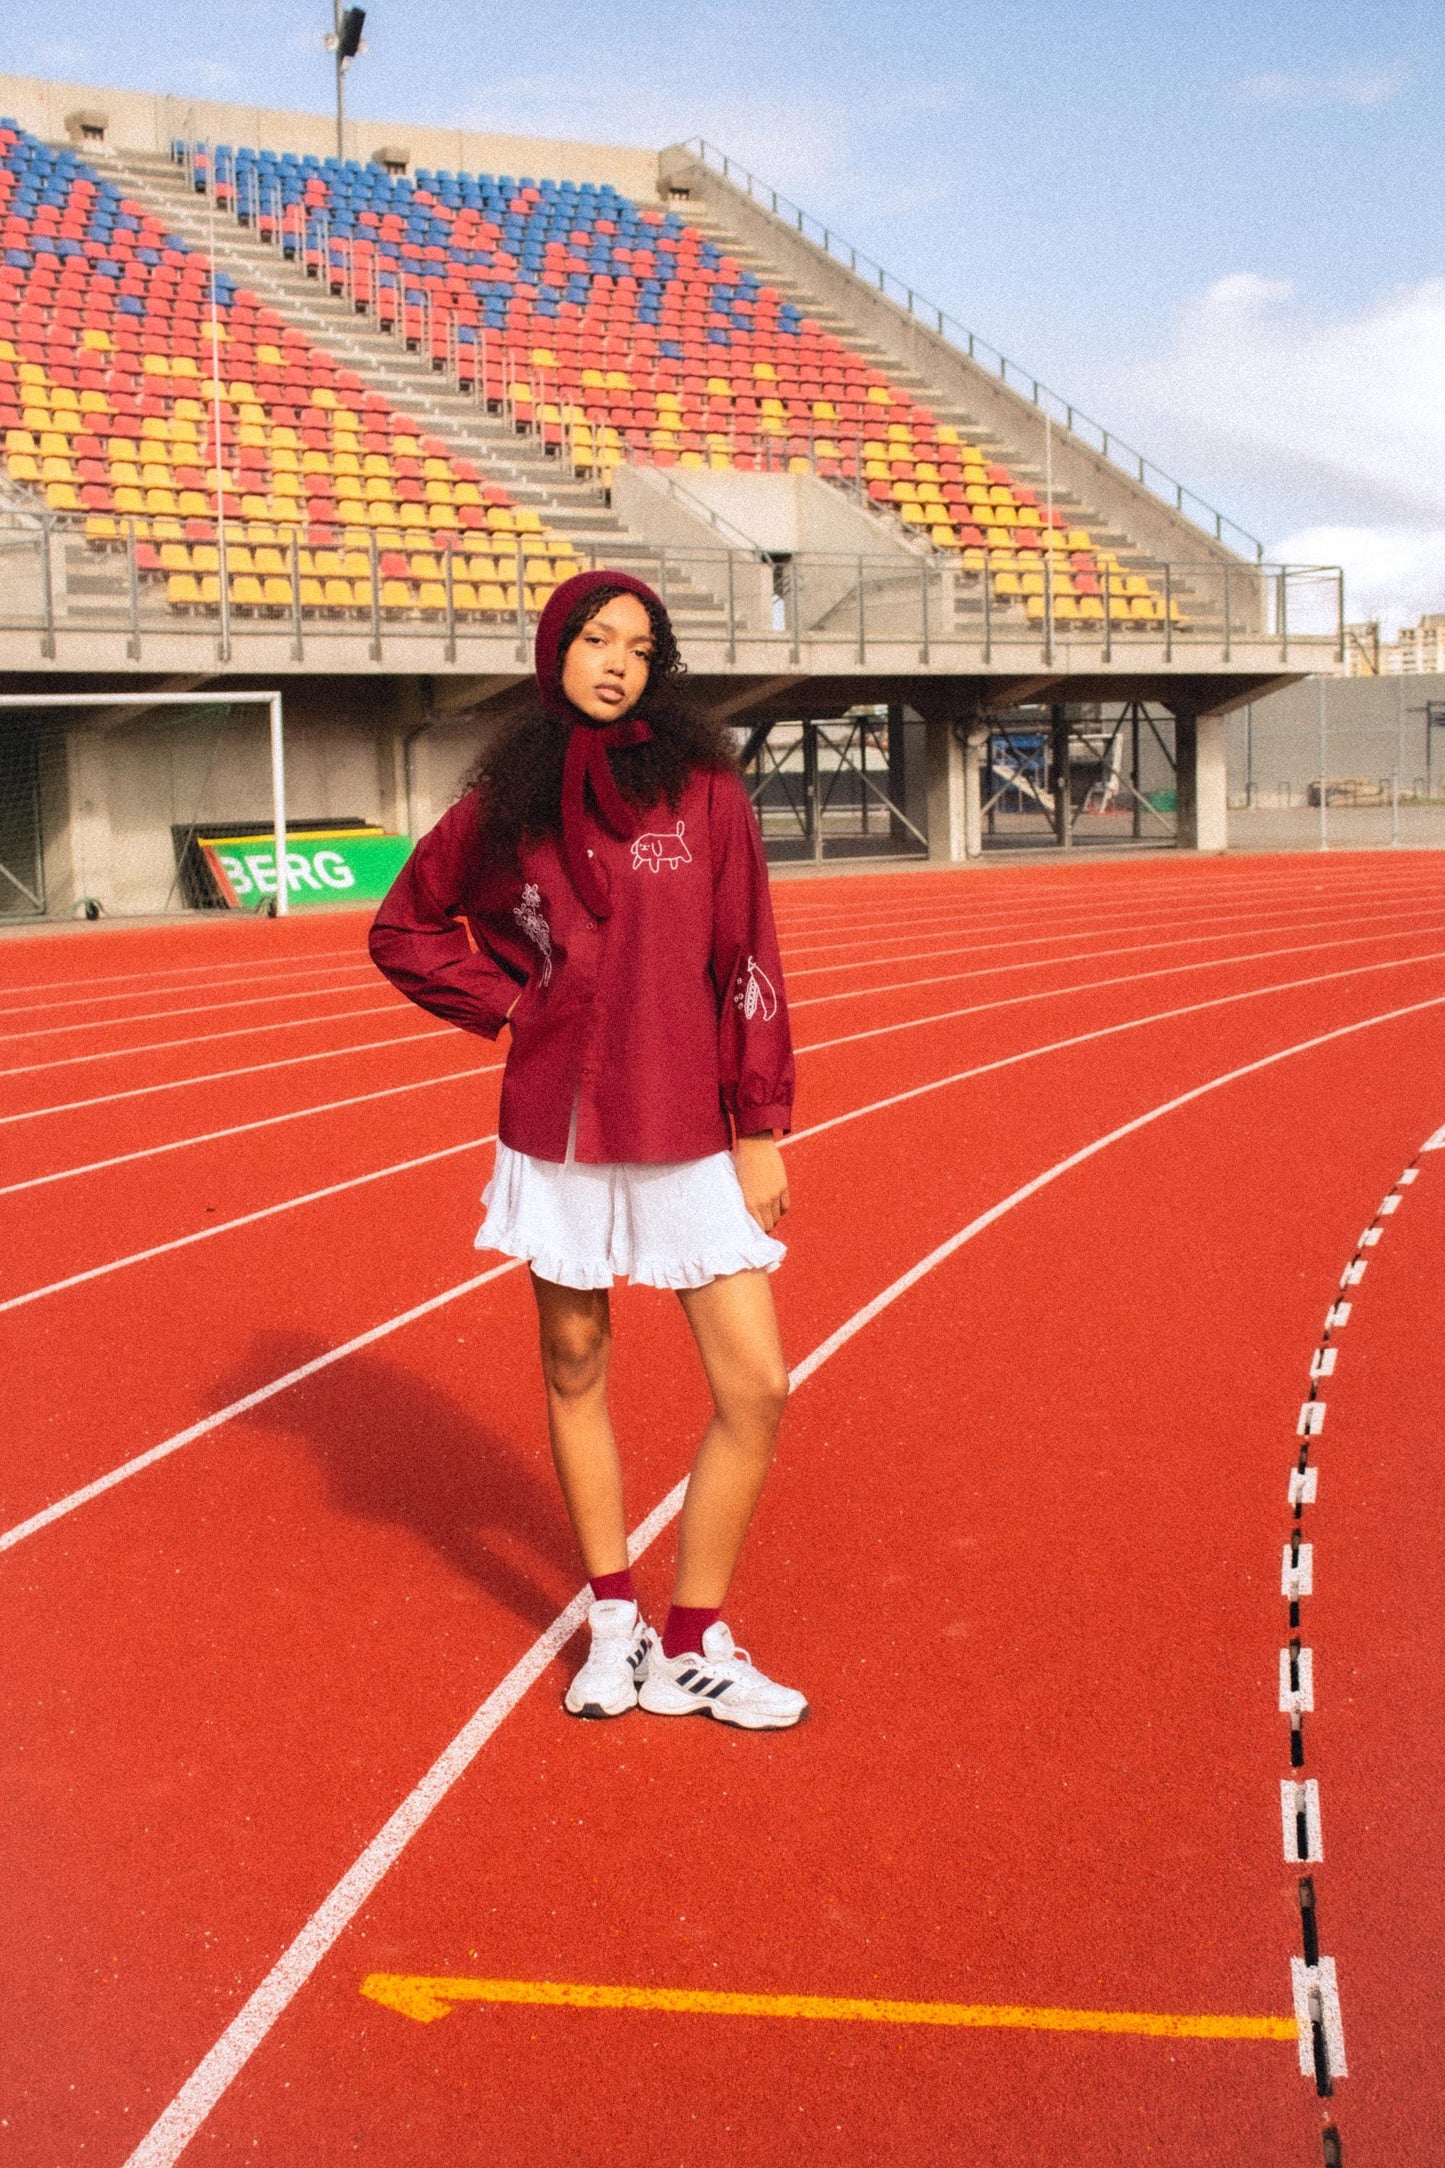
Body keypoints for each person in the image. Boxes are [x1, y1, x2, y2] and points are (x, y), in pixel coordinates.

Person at [369, 569, 805, 1730]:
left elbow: (747, 950)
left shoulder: (702, 788)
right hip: (556, 1123)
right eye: (594, 637)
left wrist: (759, 1125)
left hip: (683, 1125)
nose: (615, 659)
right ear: (553, 649)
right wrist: (507, 1002)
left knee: (754, 1387)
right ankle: (614, 1618)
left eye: (638, 644)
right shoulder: (505, 800)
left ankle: (692, 1639)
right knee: (572, 1362)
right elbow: (404, 926)